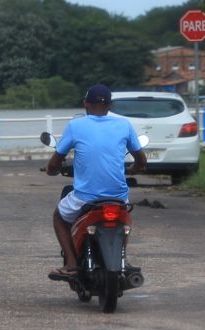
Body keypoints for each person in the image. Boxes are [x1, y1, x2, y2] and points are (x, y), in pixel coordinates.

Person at [45, 83, 146, 281]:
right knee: (125, 218)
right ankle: (122, 258)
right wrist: (132, 169)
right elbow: (141, 161)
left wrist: (51, 169)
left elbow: (56, 160)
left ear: (85, 104)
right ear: (110, 106)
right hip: (117, 197)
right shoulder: (124, 125)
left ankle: (72, 264)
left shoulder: (76, 126)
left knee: (59, 216)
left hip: (86, 198)